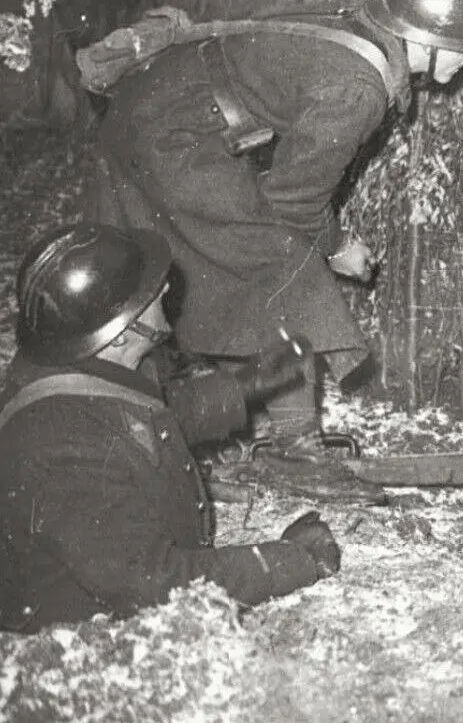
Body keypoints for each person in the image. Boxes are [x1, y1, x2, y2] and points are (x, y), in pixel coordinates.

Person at [86, 0, 463, 458]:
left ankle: (147, 419)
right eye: (462, 46)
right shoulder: (358, 89)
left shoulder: (356, 24)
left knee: (190, 277)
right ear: (424, 39)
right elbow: (293, 202)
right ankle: (297, 443)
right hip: (171, 133)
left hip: (152, 107)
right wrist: (337, 247)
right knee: (287, 270)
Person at [0, 223, 344, 633]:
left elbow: (143, 420)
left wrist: (244, 386)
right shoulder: (62, 448)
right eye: (145, 293)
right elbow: (156, 583)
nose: (164, 288)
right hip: (83, 644)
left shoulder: (76, 368)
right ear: (118, 335)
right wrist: (288, 561)